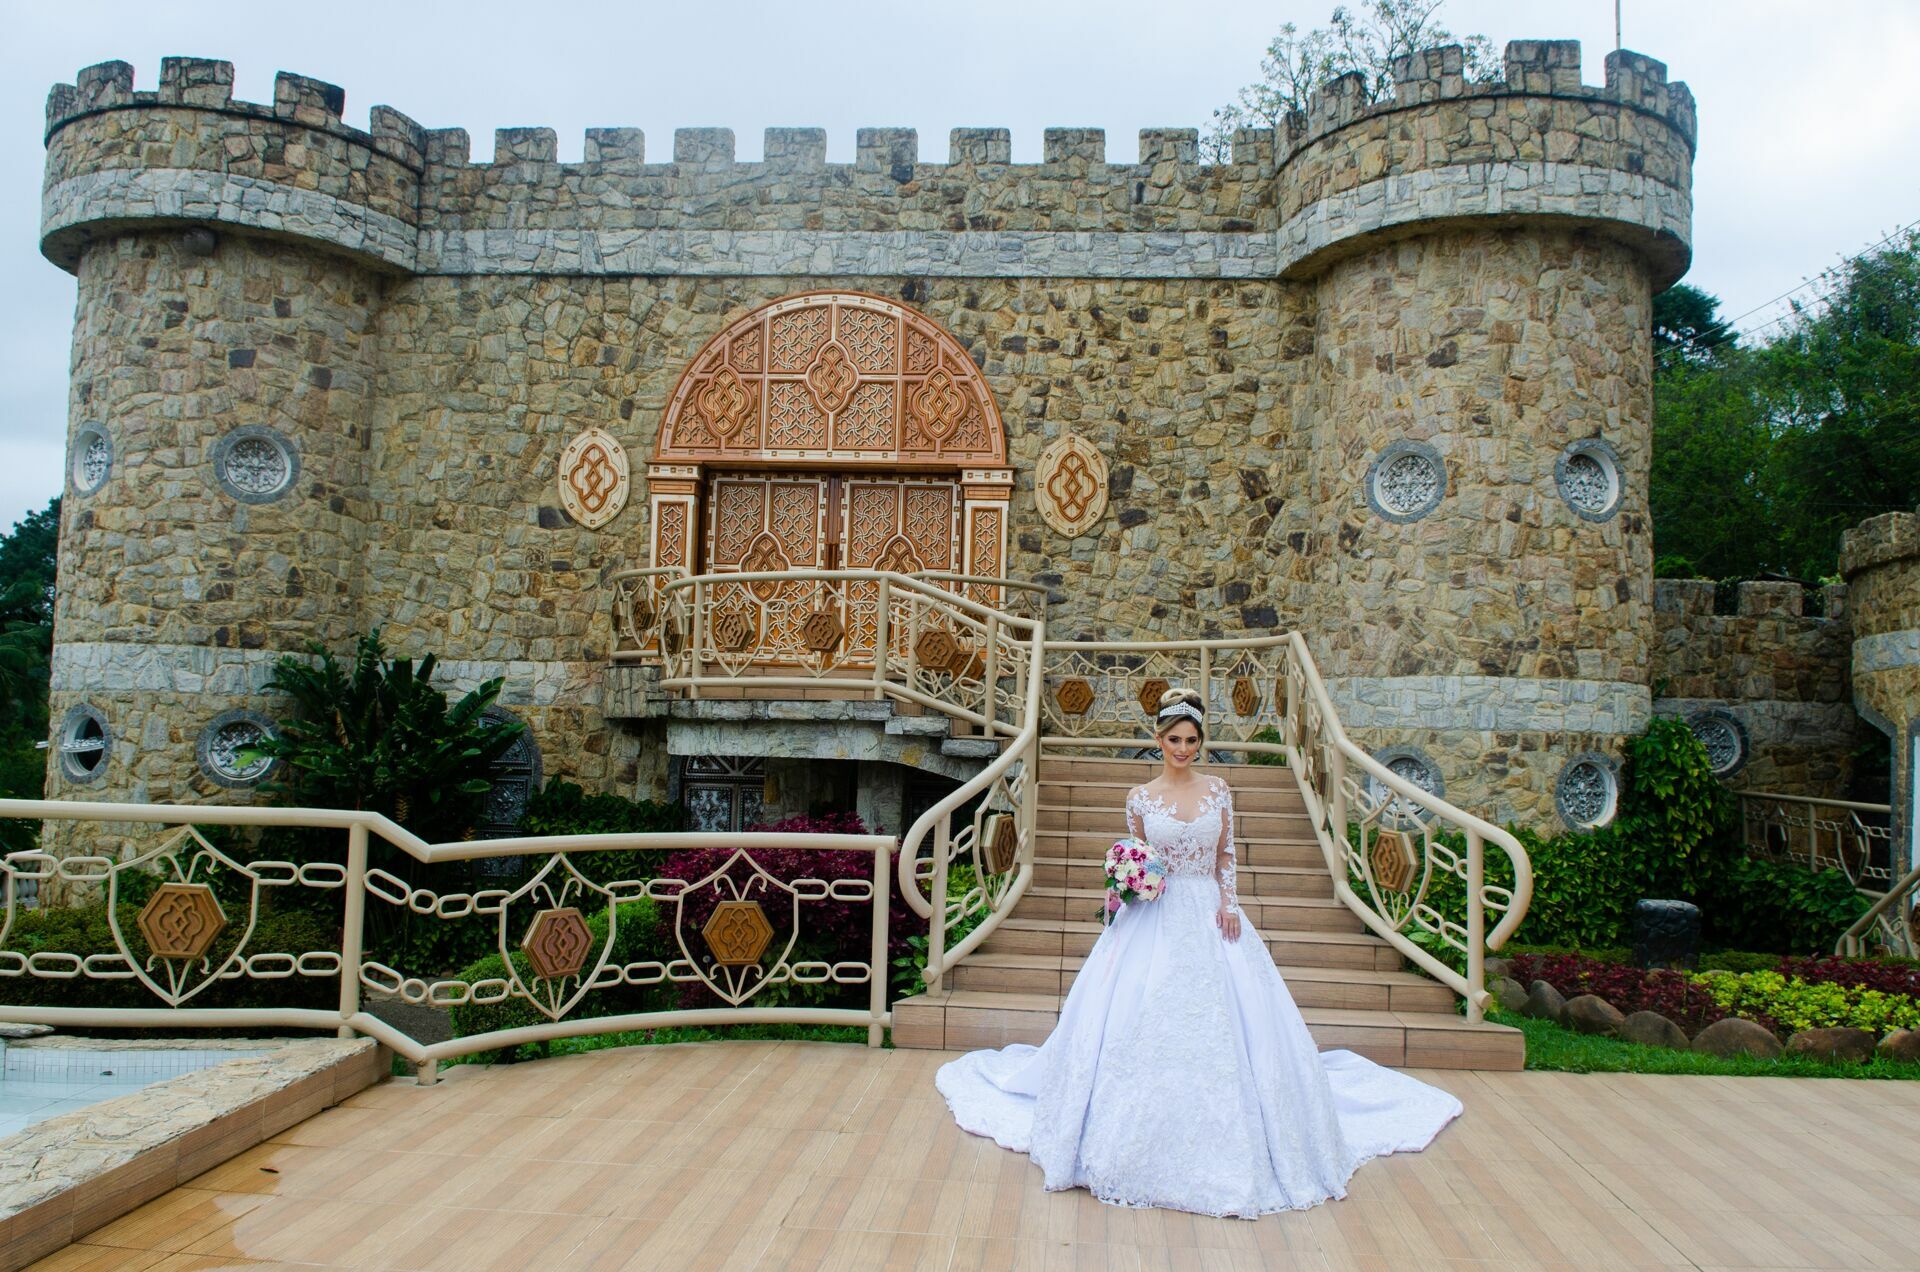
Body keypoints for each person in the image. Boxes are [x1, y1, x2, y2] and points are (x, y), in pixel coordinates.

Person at [934, 687, 1462, 1218]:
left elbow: (1226, 853)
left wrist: (1230, 903)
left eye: (1191, 740)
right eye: (1174, 740)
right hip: (1154, 916)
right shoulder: (1139, 799)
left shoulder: (1219, 790)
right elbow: (1138, 856)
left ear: (1200, 742)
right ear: (1158, 739)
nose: (1182, 749)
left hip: (1210, 910)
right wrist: (1124, 890)